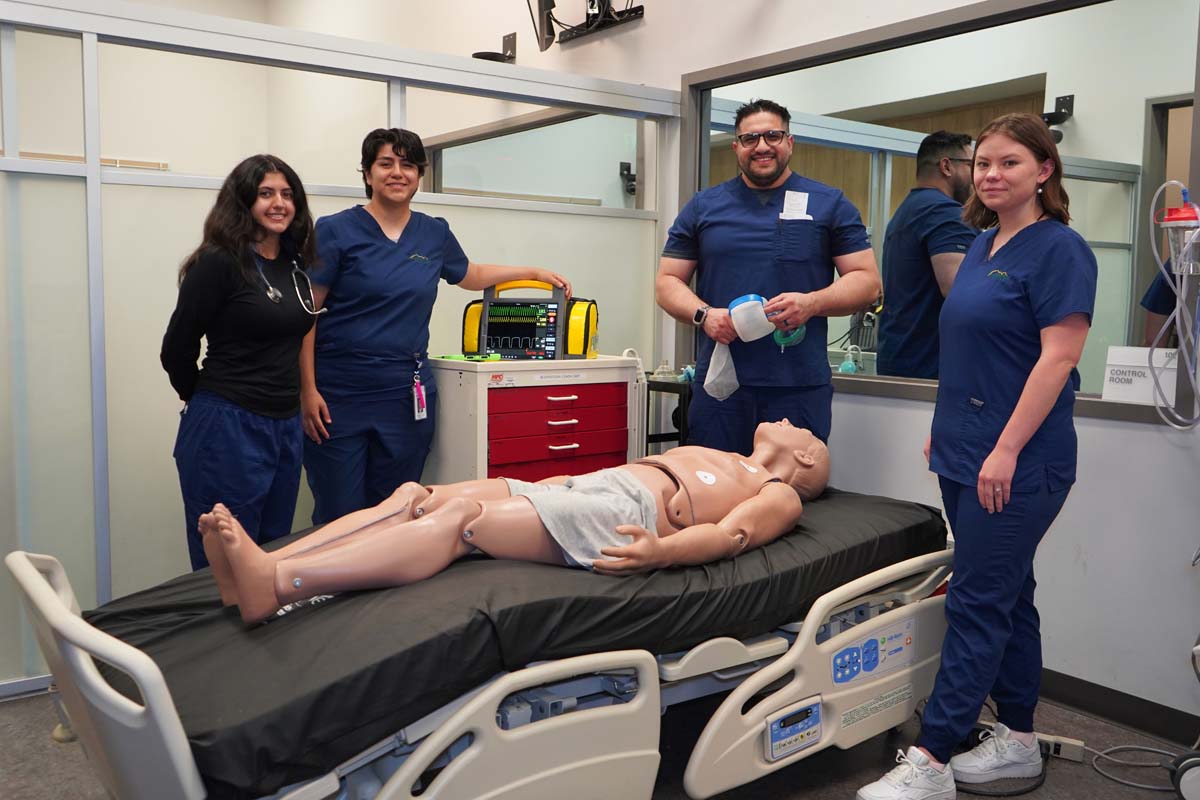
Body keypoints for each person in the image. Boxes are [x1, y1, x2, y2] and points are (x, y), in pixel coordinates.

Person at [858, 113, 1096, 800]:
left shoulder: (1060, 250)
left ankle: (933, 759)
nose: (992, 174)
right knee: (1009, 593)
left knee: (975, 601)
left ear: (1044, 170)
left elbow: (1058, 359)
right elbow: (968, 349)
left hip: (1020, 459)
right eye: (984, 162)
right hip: (964, 451)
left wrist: (1006, 448)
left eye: (1009, 163)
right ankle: (1018, 739)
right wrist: (947, 427)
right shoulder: (985, 243)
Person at [199, 419, 830, 625]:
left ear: (806, 458)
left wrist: (662, 554)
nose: (786, 421)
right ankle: (267, 565)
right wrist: (553, 486)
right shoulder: (728, 452)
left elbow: (730, 536)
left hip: (622, 516)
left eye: (799, 429)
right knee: (417, 493)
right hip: (589, 486)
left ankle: (279, 586)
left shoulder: (778, 492)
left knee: (460, 519)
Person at [300, 128, 571, 525]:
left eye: (408, 165)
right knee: (339, 512)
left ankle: (390, 569)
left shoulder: (433, 232)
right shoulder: (335, 230)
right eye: (386, 164)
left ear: (419, 175)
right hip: (339, 394)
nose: (398, 173)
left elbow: (470, 274)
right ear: (368, 173)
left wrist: (532, 272)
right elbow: (306, 315)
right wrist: (307, 390)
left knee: (398, 509)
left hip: (405, 394)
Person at [656, 99, 881, 454]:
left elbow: (868, 282)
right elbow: (667, 281)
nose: (762, 146)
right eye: (750, 139)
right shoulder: (704, 206)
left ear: (789, 142)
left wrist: (812, 303)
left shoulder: (829, 204)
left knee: (790, 484)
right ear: (736, 147)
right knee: (716, 483)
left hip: (797, 387)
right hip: (722, 387)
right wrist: (705, 315)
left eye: (772, 136)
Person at [161, 154, 321, 571]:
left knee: (271, 556)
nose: (279, 203)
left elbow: (299, 333)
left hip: (284, 426)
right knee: (226, 563)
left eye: (287, 194)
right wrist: (204, 400)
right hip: (228, 426)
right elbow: (176, 348)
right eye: (266, 193)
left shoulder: (293, 265)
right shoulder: (218, 262)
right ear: (243, 201)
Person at [876, 131, 978, 379]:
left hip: (901, 359)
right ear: (947, 166)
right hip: (931, 369)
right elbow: (963, 292)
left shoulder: (908, 210)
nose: (978, 177)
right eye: (973, 165)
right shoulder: (943, 212)